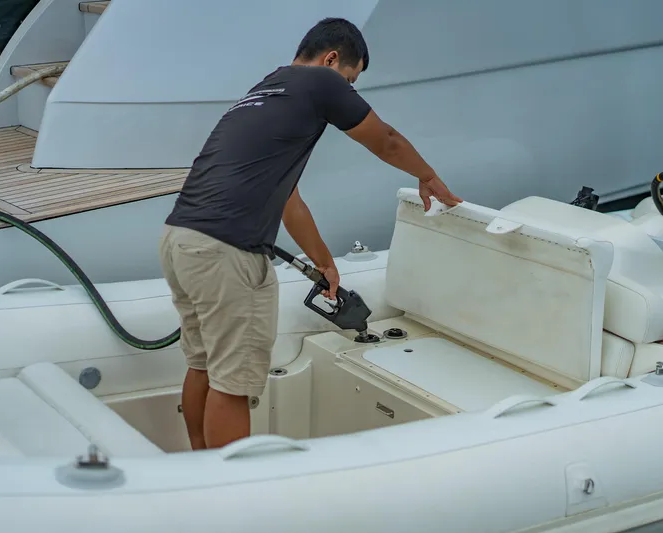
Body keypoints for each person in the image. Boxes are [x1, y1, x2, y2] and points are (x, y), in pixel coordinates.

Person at [158, 17, 462, 450]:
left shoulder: (266, 89)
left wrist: (324, 262)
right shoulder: (320, 81)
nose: (349, 90)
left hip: (180, 239)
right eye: (350, 80)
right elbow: (387, 140)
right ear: (332, 59)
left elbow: (289, 200)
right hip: (227, 250)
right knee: (232, 382)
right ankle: (228, 488)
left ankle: (197, 467)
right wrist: (428, 176)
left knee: (203, 365)